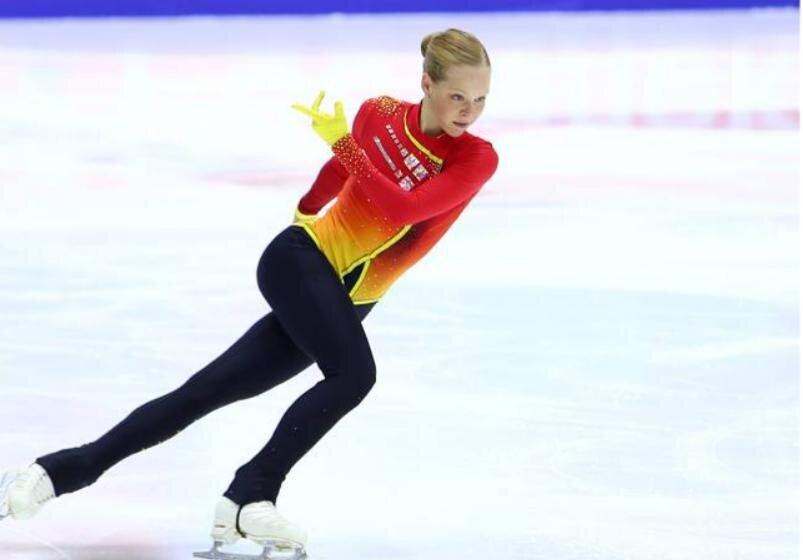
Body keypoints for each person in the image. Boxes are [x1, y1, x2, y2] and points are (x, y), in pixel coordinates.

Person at [0, 27, 498, 557]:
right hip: (300, 262)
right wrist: (308, 207)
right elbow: (340, 170)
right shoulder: (379, 113)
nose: (469, 111)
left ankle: (55, 472)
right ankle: (253, 492)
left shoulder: (476, 159)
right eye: (457, 96)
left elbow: (402, 208)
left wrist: (343, 147)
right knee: (354, 376)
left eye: (481, 99)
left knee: (205, 392)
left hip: (344, 298)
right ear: (427, 83)